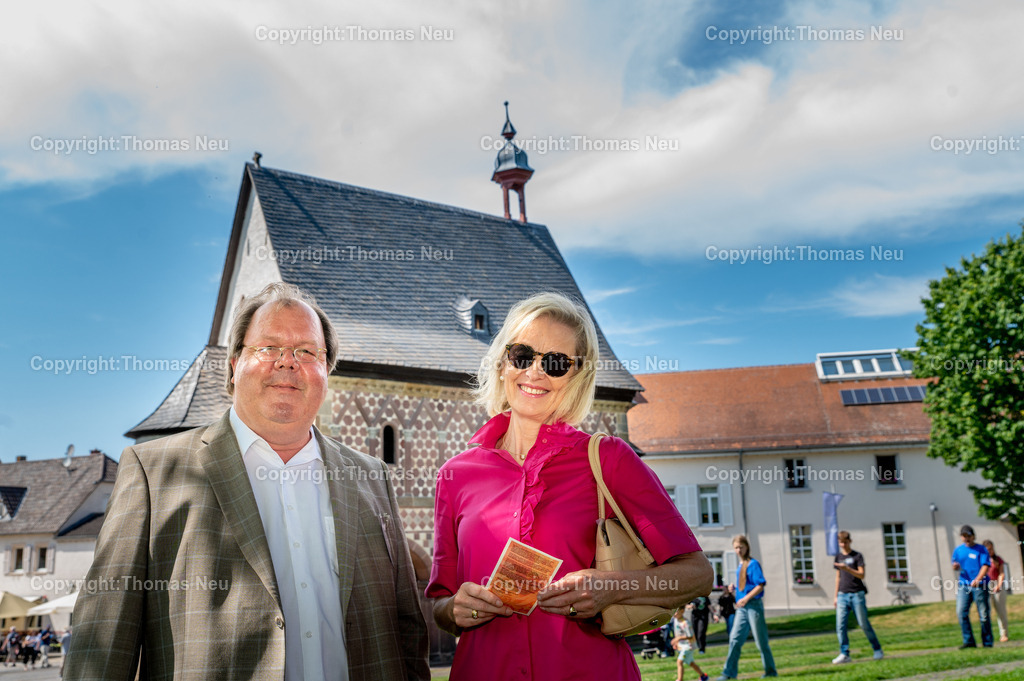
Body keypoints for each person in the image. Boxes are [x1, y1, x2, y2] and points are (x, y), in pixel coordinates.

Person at [66, 283, 429, 681]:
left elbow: (407, 631)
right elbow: (102, 640)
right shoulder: (153, 471)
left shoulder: (371, 477)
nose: (287, 362)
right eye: (269, 348)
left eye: (307, 351)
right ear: (235, 363)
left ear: (327, 370)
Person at [426, 292, 713, 680]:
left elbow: (698, 574)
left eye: (556, 363)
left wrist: (611, 587)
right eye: (522, 355)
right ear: (502, 363)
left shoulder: (608, 458)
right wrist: (456, 609)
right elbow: (441, 604)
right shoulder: (455, 475)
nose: (535, 372)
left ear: (578, 376)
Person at [718, 535, 777, 680]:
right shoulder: (740, 566)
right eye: (736, 548)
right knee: (734, 639)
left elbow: (760, 585)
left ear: (747, 547)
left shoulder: (753, 564)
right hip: (742, 609)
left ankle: (770, 671)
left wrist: (746, 598)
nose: (739, 550)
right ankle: (728, 673)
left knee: (761, 641)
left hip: (753, 606)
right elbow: (745, 585)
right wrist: (734, 588)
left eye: (741, 547)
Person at [831, 530, 883, 663]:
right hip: (842, 595)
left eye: (845, 542)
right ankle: (844, 653)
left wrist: (848, 569)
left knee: (863, 623)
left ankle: (877, 649)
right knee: (840, 626)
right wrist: (835, 596)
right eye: (841, 542)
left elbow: (861, 575)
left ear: (850, 541)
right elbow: (838, 577)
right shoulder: (838, 557)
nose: (843, 545)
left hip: (856, 594)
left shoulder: (857, 556)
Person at [951, 524, 992, 649]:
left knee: (983, 615)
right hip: (964, 585)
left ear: (973, 536)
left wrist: (978, 579)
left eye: (968, 536)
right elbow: (955, 564)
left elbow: (985, 565)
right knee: (961, 612)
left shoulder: (981, 549)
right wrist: (955, 567)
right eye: (964, 536)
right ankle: (969, 641)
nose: (966, 538)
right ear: (961, 537)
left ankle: (987, 642)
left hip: (980, 585)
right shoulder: (958, 550)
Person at [670, 608, 709, 681]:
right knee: (691, 663)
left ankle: (680, 679)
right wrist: (676, 643)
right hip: (682, 646)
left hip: (688, 647)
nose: (674, 614)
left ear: (682, 611)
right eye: (673, 612)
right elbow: (677, 633)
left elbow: (690, 635)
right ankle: (703, 676)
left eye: (676, 612)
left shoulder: (686, 622)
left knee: (679, 662)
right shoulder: (676, 620)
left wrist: (678, 638)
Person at [982, 539, 1010, 642]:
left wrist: (998, 585)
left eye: (991, 549)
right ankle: (988, 636)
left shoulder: (998, 559)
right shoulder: (982, 560)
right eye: (987, 550)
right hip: (985, 586)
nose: (990, 551)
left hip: (997, 585)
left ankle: (1004, 634)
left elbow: (1001, 573)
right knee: (985, 612)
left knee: (1001, 611)